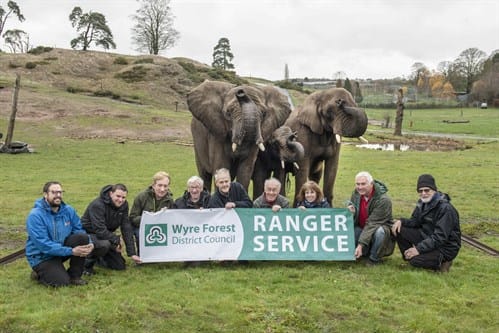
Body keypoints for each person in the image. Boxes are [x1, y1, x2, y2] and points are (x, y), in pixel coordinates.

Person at [25, 181, 93, 287]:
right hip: (42, 256)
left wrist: (90, 243)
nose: (58, 195)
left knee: (82, 238)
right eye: (54, 192)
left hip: (60, 250)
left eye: (60, 192)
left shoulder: (68, 210)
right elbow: (44, 245)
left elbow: (79, 229)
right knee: (61, 282)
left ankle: (75, 276)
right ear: (45, 194)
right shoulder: (35, 216)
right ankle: (38, 273)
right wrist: (71, 251)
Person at [391, 174, 461, 272]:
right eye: (420, 191)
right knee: (398, 229)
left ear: (434, 190)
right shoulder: (422, 203)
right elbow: (415, 221)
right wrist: (401, 221)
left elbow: (440, 237)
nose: (423, 193)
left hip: (445, 247)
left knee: (415, 261)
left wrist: (418, 249)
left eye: (427, 190)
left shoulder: (446, 209)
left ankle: (443, 262)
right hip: (427, 237)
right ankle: (409, 257)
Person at [81, 184, 141, 275]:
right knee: (105, 244)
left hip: (105, 235)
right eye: (118, 196)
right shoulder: (97, 205)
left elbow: (126, 227)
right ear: (111, 193)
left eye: (123, 197)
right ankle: (86, 265)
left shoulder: (124, 205)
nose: (120, 200)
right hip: (88, 234)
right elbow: (99, 230)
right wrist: (116, 240)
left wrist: (132, 253)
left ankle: (99, 258)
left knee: (119, 266)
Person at [347, 171, 395, 265]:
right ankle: (362, 253)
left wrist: (360, 245)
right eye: (358, 184)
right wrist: (351, 212)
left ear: (371, 184)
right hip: (362, 227)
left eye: (363, 184)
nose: (360, 187)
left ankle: (374, 258)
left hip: (376, 229)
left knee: (380, 232)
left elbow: (372, 224)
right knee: (351, 231)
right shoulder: (356, 193)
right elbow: (354, 211)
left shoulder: (383, 200)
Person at [129, 171, 174, 253]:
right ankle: (142, 254)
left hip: (160, 228)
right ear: (153, 185)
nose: (162, 189)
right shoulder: (142, 197)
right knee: (140, 234)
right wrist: (148, 218)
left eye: (165, 186)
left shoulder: (170, 200)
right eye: (159, 185)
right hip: (142, 226)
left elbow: (173, 220)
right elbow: (132, 218)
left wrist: (165, 215)